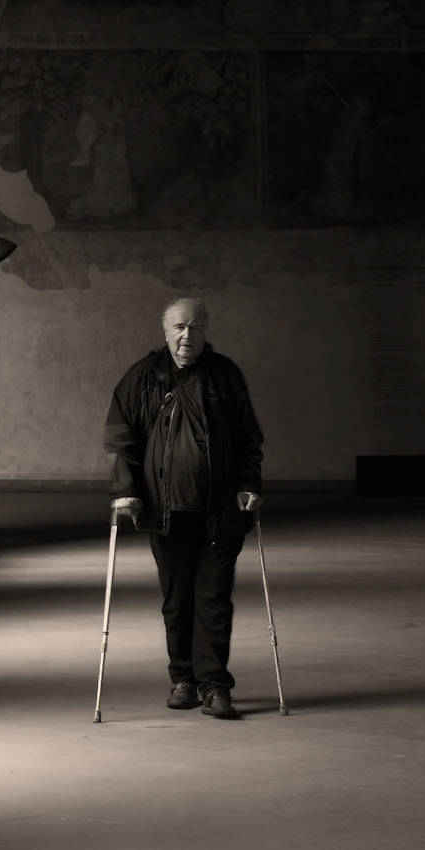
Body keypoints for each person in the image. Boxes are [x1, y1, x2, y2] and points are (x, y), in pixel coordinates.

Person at [104, 297, 264, 719]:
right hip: (165, 511)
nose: (186, 336)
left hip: (220, 512)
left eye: (194, 327)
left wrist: (249, 484)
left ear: (205, 331)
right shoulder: (144, 376)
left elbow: (249, 438)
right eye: (178, 327)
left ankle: (214, 686)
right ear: (165, 329)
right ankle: (184, 680)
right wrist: (126, 488)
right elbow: (121, 436)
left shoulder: (224, 375)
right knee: (177, 601)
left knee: (213, 599)